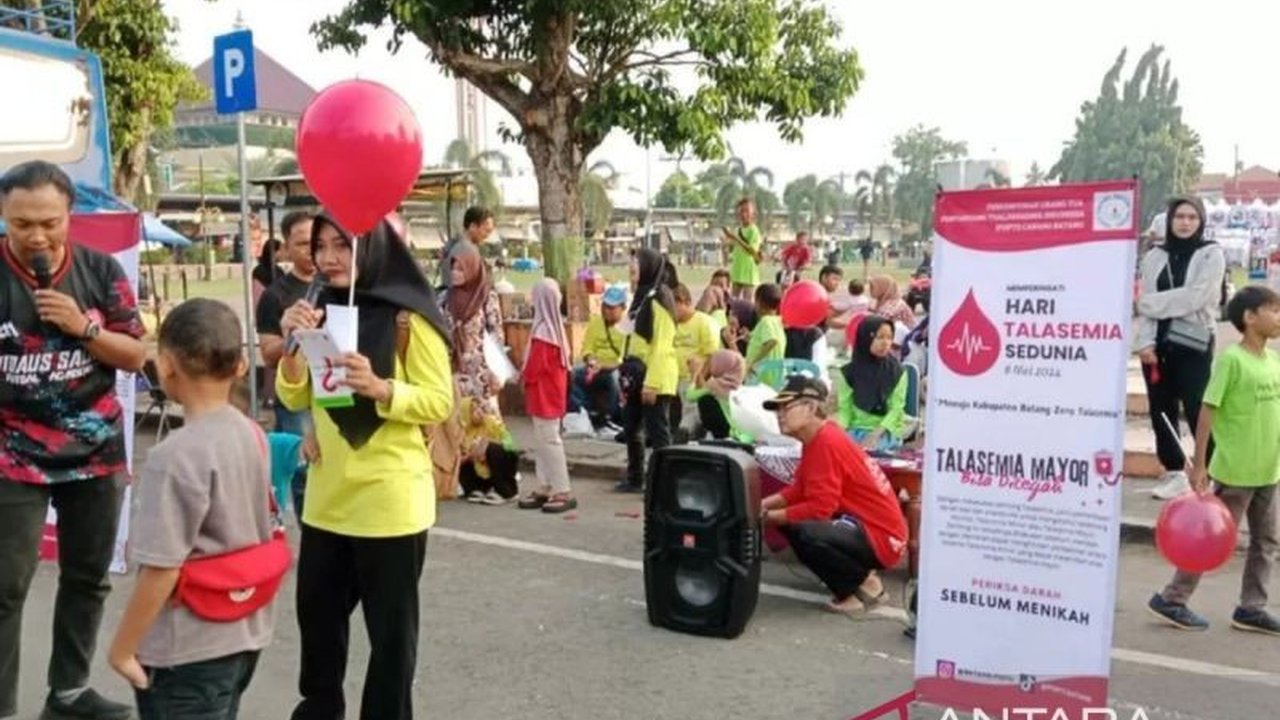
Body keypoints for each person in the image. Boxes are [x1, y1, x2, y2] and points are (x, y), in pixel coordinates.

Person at [277, 214, 454, 720]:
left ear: (374, 250)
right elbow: (295, 392)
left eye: (342, 247)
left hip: (390, 501)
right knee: (319, 622)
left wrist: (381, 389)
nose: (328, 258)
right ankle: (320, 710)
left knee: (391, 640)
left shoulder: (408, 318)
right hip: (329, 500)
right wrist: (291, 349)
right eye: (321, 246)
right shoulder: (319, 308)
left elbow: (439, 401)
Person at [0, 160, 145, 720]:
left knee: (87, 577)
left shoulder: (101, 271)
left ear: (70, 216)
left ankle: (69, 694)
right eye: (21, 224)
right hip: (12, 456)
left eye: (49, 222)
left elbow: (136, 355)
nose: (36, 235)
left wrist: (82, 328)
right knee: (4, 588)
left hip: (95, 451)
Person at [107, 299, 276, 719]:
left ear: (165, 366)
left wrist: (123, 649)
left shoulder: (174, 456)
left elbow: (162, 567)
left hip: (186, 647)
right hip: (244, 634)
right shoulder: (251, 432)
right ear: (240, 366)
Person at [1147, 286, 1280, 634]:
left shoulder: (1273, 360)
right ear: (1250, 318)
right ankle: (1172, 599)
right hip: (1236, 470)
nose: (1279, 317)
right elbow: (1208, 409)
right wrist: (1201, 462)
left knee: (1266, 543)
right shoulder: (1231, 360)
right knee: (1210, 538)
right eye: (1274, 311)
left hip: (1268, 469)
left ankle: (1252, 608)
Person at [760, 377, 907, 614]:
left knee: (805, 530)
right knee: (791, 523)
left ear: (810, 408)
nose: (779, 414)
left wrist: (766, 517)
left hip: (882, 540)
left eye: (786, 407)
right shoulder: (819, 436)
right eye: (777, 408)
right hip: (872, 531)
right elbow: (800, 489)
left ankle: (858, 589)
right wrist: (763, 506)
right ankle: (860, 577)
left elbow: (820, 509)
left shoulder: (826, 441)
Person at [1135, 196, 1227, 500]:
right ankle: (1174, 471)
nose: (1185, 222)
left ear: (1200, 221)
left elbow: (1198, 297)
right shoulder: (1154, 256)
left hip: (1194, 342)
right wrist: (1145, 342)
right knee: (1161, 407)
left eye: (1192, 217)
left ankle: (1208, 472)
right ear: (1170, 220)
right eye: (1179, 217)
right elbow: (1150, 305)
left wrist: (1149, 303)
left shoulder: (1211, 254)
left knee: (1198, 406)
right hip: (1157, 346)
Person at [439, 243, 505, 498]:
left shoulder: (488, 297)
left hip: (481, 371)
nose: (455, 271)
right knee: (460, 426)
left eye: (460, 266)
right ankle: (469, 482)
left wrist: (497, 372)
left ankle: (499, 481)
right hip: (453, 371)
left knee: (489, 426)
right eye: (452, 265)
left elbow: (496, 337)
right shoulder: (444, 298)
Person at [615, 248, 679, 493]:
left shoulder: (659, 298)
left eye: (636, 263)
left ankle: (666, 484)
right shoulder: (641, 297)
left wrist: (652, 382)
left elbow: (662, 343)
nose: (632, 267)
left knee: (658, 433)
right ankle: (635, 477)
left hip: (655, 375)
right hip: (636, 375)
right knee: (632, 429)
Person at [516, 279, 576, 512]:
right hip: (549, 393)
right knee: (543, 440)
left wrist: (521, 376)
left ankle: (562, 488)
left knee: (549, 440)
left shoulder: (543, 332)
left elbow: (535, 366)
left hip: (543, 394)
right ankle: (546, 484)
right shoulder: (554, 329)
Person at [836, 316, 908, 451]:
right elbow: (845, 410)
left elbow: (896, 409)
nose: (885, 343)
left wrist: (875, 435)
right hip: (856, 430)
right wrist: (840, 434)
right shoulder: (848, 372)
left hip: (885, 431)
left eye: (889, 337)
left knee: (871, 453)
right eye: (880, 337)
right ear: (866, 339)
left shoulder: (898, 371)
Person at [569, 285, 627, 432]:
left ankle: (611, 417)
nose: (608, 311)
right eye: (606, 306)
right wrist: (590, 360)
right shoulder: (596, 323)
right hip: (595, 367)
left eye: (613, 308)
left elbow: (624, 359)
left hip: (615, 368)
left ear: (623, 308)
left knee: (614, 378)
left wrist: (604, 366)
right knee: (573, 375)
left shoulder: (628, 328)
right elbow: (587, 348)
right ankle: (585, 411)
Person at [671, 283, 720, 440]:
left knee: (691, 413)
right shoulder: (671, 325)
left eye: (674, 306)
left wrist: (699, 379)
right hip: (672, 378)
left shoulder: (704, 322)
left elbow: (711, 355)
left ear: (685, 301)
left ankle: (685, 433)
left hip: (693, 379)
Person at [457, 397, 519, 506]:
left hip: (499, 461)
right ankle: (477, 488)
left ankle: (506, 492)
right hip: (478, 466)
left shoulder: (492, 422)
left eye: (480, 408)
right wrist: (470, 455)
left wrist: (487, 445)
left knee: (492, 449)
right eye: (474, 411)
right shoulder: (462, 432)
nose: (479, 412)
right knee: (460, 456)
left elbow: (511, 445)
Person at [693, 350, 746, 441]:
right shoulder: (742, 389)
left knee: (705, 400)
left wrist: (697, 373)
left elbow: (694, 394)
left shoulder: (715, 385)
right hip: (742, 438)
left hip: (721, 437)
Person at [438, 206, 494, 289]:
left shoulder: (454, 245)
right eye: (486, 231)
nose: (487, 236)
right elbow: (455, 280)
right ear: (473, 226)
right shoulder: (466, 249)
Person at [746, 283, 786, 387]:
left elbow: (771, 341)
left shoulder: (766, 321)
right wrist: (748, 337)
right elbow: (760, 340)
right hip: (773, 373)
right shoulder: (777, 321)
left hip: (762, 374)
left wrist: (754, 362)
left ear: (758, 303)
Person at [723, 198, 763, 300]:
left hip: (749, 272)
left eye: (747, 211)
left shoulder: (754, 230)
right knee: (733, 302)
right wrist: (727, 242)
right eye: (741, 211)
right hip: (737, 270)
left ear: (753, 214)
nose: (744, 214)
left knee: (747, 303)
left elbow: (751, 250)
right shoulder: (738, 229)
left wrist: (735, 238)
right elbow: (734, 248)